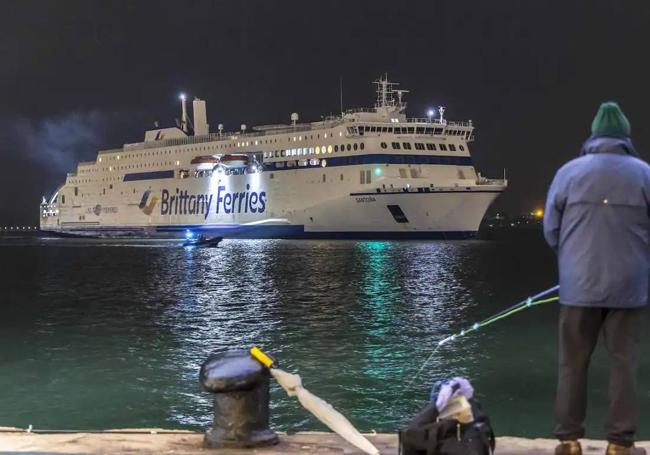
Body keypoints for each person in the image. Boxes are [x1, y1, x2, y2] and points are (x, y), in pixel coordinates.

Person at [544, 102, 650, 455]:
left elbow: (551, 231)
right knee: (624, 365)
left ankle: (569, 440)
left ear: (593, 134)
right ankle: (619, 444)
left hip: (578, 287)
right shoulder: (644, 174)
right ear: (625, 135)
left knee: (572, 364)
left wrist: (574, 260)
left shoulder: (568, 174)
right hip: (629, 289)